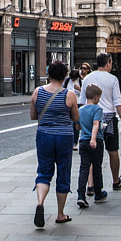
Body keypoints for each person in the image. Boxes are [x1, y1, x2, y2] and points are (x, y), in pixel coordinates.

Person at [31, 60, 79, 227]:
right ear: (65, 76)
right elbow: (76, 118)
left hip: (44, 135)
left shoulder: (37, 92)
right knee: (63, 172)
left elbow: (33, 115)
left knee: (44, 172)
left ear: (49, 74)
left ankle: (40, 202)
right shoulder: (69, 94)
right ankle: (60, 214)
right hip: (64, 137)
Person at [82, 53, 121, 191]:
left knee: (92, 151)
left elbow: (82, 102)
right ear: (108, 63)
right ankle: (115, 181)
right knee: (113, 150)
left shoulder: (87, 78)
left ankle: (90, 185)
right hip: (108, 117)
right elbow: (118, 102)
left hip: (90, 117)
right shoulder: (112, 79)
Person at [76, 83, 108, 208]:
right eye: (99, 97)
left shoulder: (80, 110)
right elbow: (96, 124)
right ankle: (98, 193)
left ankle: (81, 195)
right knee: (97, 167)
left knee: (84, 168)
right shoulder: (97, 109)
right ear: (95, 97)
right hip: (95, 141)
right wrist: (93, 139)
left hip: (83, 141)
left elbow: (77, 126)